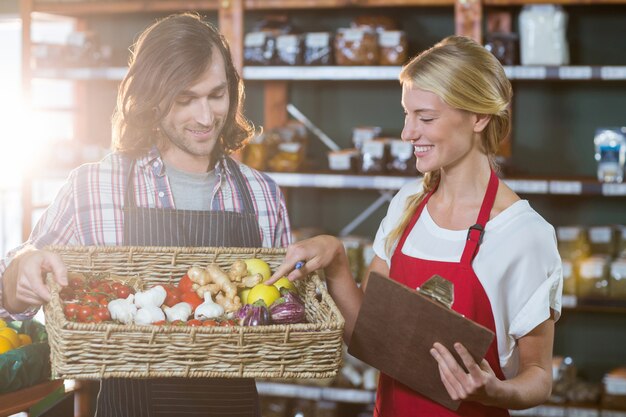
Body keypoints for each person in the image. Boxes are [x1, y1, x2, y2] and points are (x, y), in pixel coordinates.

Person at [0, 13, 291, 417]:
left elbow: (283, 314)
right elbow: (10, 297)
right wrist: (19, 274)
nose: (206, 117)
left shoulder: (262, 195)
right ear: (151, 98)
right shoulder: (95, 187)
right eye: (185, 100)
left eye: (217, 95)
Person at [270, 35, 562, 416]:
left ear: (478, 117)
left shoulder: (523, 234)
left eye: (425, 118)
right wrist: (337, 262)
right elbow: (369, 336)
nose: (408, 133)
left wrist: (497, 392)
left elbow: (538, 374)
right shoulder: (408, 204)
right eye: (407, 115)